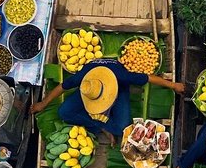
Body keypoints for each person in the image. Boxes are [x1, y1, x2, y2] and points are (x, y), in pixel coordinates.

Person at [30, 59, 185, 145]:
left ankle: (103, 124)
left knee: (122, 129)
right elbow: (61, 87)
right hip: (91, 88)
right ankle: (102, 126)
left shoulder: (122, 76)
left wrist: (173, 85)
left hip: (119, 88)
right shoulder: (83, 78)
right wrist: (42, 104)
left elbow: (148, 78)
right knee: (64, 112)